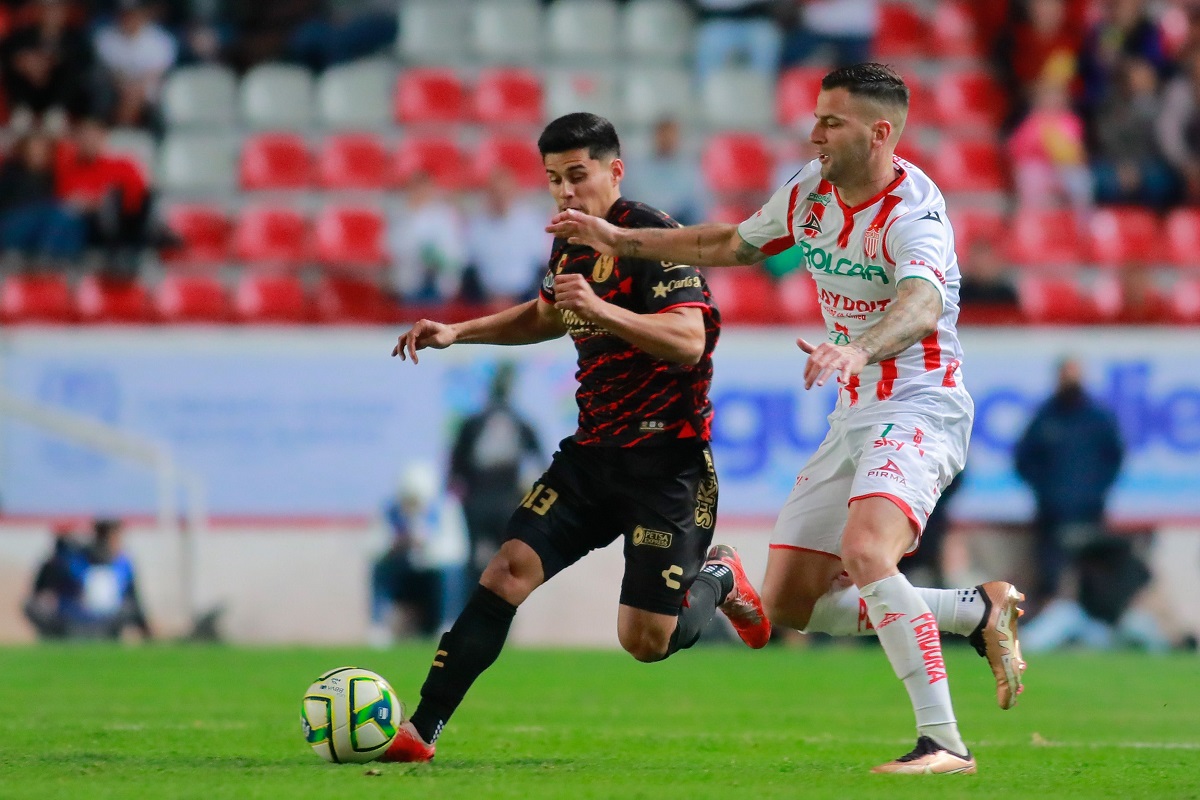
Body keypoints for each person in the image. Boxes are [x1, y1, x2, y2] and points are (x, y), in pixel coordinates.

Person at [549, 64, 1027, 775]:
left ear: (880, 131)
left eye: (831, 123)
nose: (815, 134)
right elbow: (731, 244)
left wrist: (857, 347)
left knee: (869, 552)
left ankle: (944, 742)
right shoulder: (809, 191)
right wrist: (620, 243)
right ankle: (973, 612)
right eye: (816, 119)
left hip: (920, 404)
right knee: (794, 605)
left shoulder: (914, 213)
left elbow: (922, 303)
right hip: (856, 409)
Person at [382, 112, 770, 763]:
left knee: (646, 639)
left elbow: (688, 340)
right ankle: (421, 731)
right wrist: (459, 332)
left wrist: (600, 311)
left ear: (615, 171)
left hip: (666, 464)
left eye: (578, 175)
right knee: (506, 569)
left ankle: (720, 578)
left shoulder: (653, 238)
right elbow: (544, 314)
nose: (565, 192)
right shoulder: (569, 242)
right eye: (554, 179)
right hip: (591, 458)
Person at [1014, 358, 1169, 652]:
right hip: (1051, 517)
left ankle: (1086, 629)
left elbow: (1114, 458)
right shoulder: (1045, 417)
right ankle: (1051, 631)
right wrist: (1044, 492)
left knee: (1090, 575)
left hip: (1089, 515)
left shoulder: (1097, 418)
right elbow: (1024, 460)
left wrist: (1095, 493)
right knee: (1051, 576)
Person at [448, 362, 544, 586]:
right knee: (507, 560)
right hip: (508, 502)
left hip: (477, 501)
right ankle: (500, 611)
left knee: (474, 558)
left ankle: (474, 608)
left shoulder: (473, 422)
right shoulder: (519, 423)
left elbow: (455, 469)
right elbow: (539, 464)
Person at [370, 462, 470, 645]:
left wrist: (426, 544)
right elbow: (374, 548)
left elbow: (458, 551)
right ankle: (378, 627)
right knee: (379, 568)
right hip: (402, 571)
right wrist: (396, 544)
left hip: (434, 573)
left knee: (452, 573)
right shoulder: (389, 510)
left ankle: (447, 625)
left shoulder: (446, 508)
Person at [23, 518, 152, 640]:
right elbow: (42, 591)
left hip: (109, 621)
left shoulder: (123, 564)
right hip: (74, 618)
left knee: (131, 608)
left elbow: (134, 599)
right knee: (33, 606)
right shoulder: (72, 560)